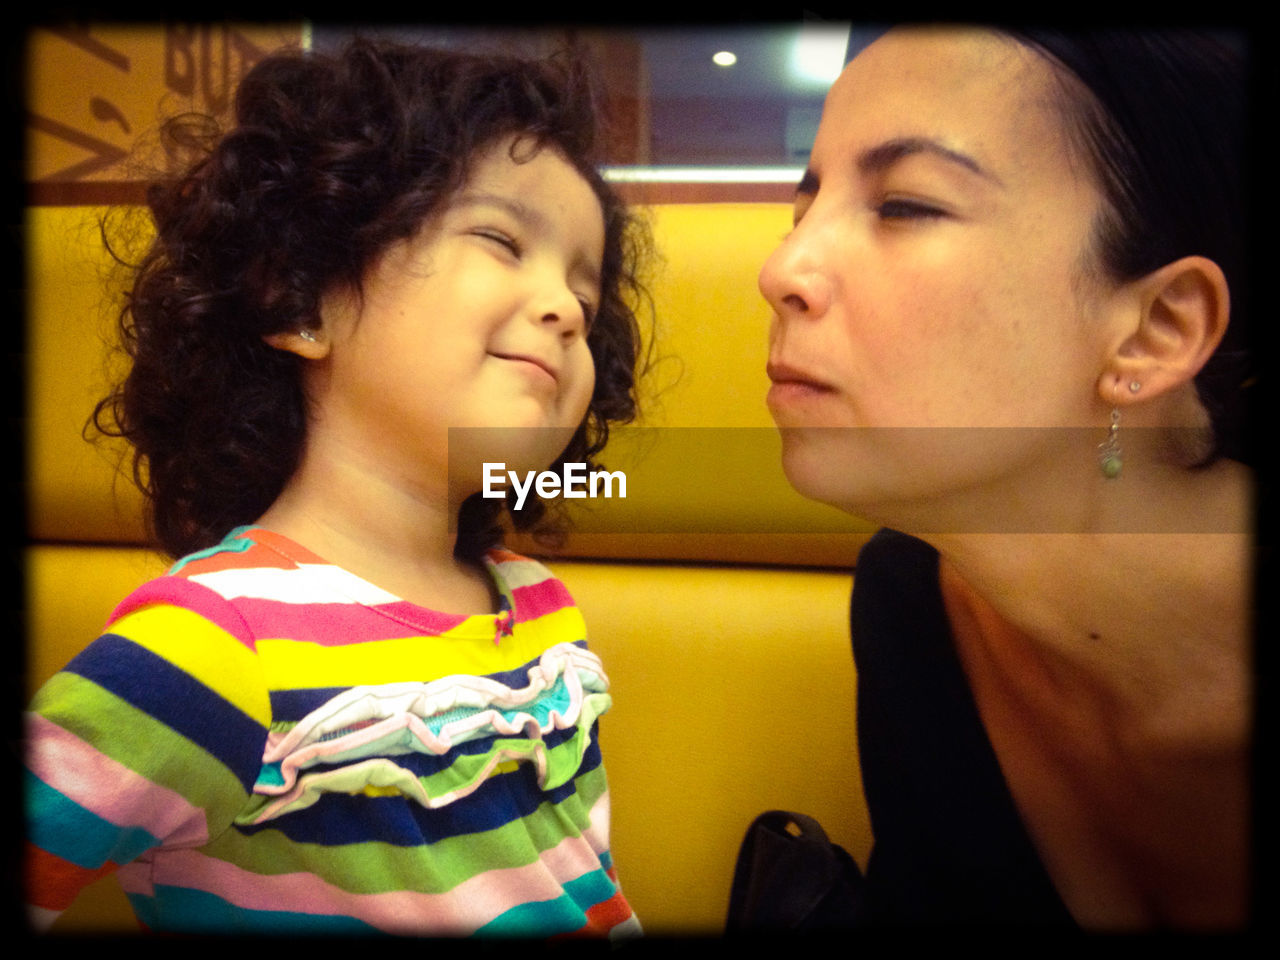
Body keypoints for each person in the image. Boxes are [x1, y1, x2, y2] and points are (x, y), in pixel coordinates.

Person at [25, 37, 648, 937]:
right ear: (301, 297)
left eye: (586, 303)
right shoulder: (211, 648)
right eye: (500, 240)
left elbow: (591, 885)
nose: (562, 309)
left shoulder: (544, 608)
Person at [759, 26, 1254, 929]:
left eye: (904, 204)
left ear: (1156, 331)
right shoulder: (911, 602)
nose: (779, 270)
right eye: (805, 209)